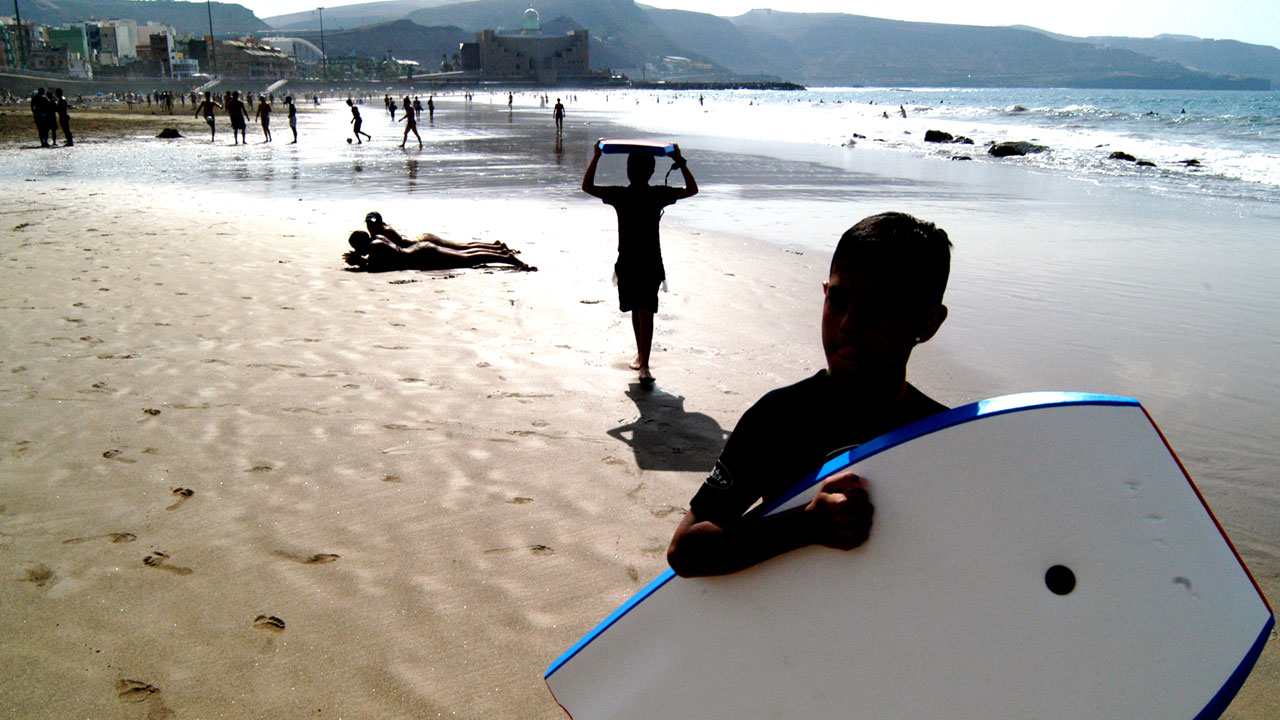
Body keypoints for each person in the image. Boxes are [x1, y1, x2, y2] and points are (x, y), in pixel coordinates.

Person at [665, 212, 952, 578]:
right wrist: (806, 526)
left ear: (927, 323)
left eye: (877, 307)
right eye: (838, 299)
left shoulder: (945, 437)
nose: (848, 323)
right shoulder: (778, 419)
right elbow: (685, 549)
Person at [581, 141, 698, 387]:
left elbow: (587, 185)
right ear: (651, 171)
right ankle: (641, 355)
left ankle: (644, 364)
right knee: (638, 309)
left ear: (629, 170)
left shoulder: (628, 194)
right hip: (638, 261)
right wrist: (680, 160)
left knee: (644, 309)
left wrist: (597, 157)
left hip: (641, 261)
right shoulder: (650, 194)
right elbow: (691, 189)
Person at [344, 231, 534, 272]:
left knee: (467, 259)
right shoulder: (377, 240)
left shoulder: (375, 247)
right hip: (420, 250)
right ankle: (501, 254)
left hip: (423, 254)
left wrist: (360, 263)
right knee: (465, 254)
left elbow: (381, 266)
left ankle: (506, 258)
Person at [362, 212, 514, 255]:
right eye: (368, 224)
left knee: (462, 248)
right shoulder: (382, 231)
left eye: (372, 224)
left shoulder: (385, 232)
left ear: (379, 222)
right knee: (462, 247)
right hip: (420, 239)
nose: (370, 227)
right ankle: (494, 248)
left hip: (420, 242)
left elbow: (394, 248)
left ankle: (495, 249)